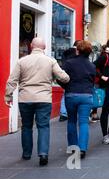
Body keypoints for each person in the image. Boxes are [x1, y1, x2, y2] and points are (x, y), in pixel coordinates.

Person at [4, 38, 70, 166]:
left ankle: (27, 153)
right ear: (44, 47)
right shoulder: (51, 61)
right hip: (44, 99)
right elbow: (64, 77)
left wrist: (8, 96)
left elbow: (12, 80)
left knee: (26, 126)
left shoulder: (22, 61)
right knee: (43, 126)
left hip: (25, 98)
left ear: (31, 46)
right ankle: (43, 154)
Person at [61, 40, 96, 159]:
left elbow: (61, 77)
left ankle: (72, 146)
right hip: (86, 95)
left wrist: (66, 87)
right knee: (84, 122)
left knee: (71, 121)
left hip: (71, 94)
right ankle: (82, 149)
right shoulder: (91, 65)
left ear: (77, 50)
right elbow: (93, 80)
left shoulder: (69, 63)